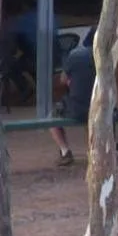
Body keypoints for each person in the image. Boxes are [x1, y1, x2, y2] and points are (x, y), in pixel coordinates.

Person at [49, 30, 96, 167]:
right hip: (98, 105)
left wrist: (73, 80)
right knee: (92, 119)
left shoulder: (75, 55)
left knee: (52, 117)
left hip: (78, 106)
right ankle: (93, 151)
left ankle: (65, 152)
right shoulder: (106, 56)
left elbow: (63, 80)